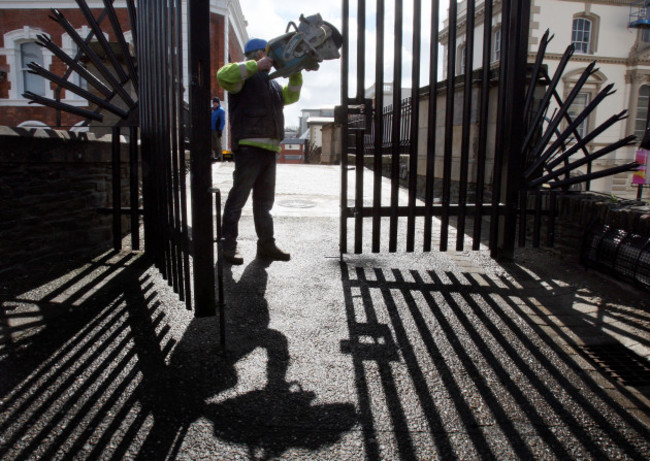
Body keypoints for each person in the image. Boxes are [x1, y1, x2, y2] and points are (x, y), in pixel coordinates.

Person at [216, 38, 302, 265]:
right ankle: (228, 246)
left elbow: (292, 95)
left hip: (269, 150)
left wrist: (296, 71)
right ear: (255, 55)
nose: (272, 62)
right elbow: (223, 76)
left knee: (264, 204)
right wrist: (256, 66)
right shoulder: (243, 75)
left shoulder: (272, 84)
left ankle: (266, 244)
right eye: (267, 56)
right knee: (238, 199)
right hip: (249, 149)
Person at [211, 97, 226, 161]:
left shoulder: (221, 110)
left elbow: (222, 121)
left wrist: (220, 129)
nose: (214, 104)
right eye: (214, 103)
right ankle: (215, 156)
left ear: (218, 103)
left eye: (216, 103)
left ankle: (220, 158)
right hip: (211, 129)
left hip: (217, 130)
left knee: (218, 144)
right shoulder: (213, 110)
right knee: (213, 144)